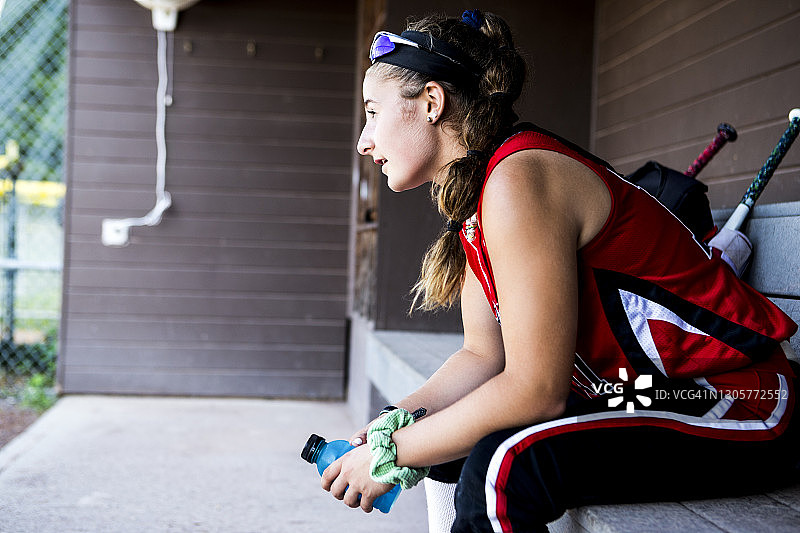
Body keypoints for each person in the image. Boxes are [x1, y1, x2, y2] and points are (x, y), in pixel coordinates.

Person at [321, 9, 800, 533]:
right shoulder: (479, 203)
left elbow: (535, 389)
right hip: (642, 390)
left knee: (501, 470)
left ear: (432, 103)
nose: (364, 141)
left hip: (740, 396)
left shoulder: (520, 177)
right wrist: (397, 425)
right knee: (446, 445)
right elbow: (483, 356)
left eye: (372, 112)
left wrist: (391, 455)